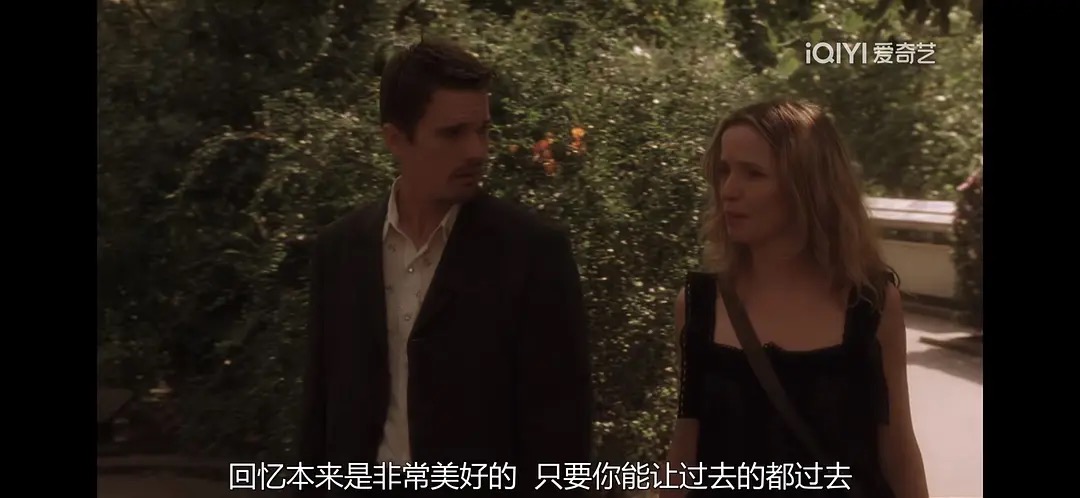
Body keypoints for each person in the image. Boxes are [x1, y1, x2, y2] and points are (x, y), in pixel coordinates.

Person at [298, 37, 592, 497]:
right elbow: (319, 412)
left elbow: (561, 432)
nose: (477, 151)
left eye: (483, 130)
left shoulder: (532, 253)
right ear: (396, 139)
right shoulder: (340, 250)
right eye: (453, 133)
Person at [663, 99, 930, 498]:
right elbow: (685, 448)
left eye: (753, 174)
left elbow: (898, 451)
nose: (729, 190)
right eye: (723, 171)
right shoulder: (699, 305)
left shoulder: (869, 304)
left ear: (807, 186)